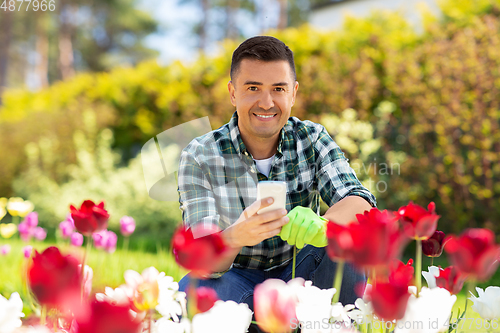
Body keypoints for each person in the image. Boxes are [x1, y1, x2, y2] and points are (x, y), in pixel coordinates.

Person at [177, 35, 376, 328]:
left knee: (343, 244)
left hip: (303, 272)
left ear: (293, 93)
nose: (266, 102)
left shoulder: (312, 138)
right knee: (190, 294)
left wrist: (325, 224)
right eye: (253, 88)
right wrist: (235, 236)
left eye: (278, 89)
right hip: (236, 276)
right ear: (233, 93)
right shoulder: (200, 155)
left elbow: (359, 200)